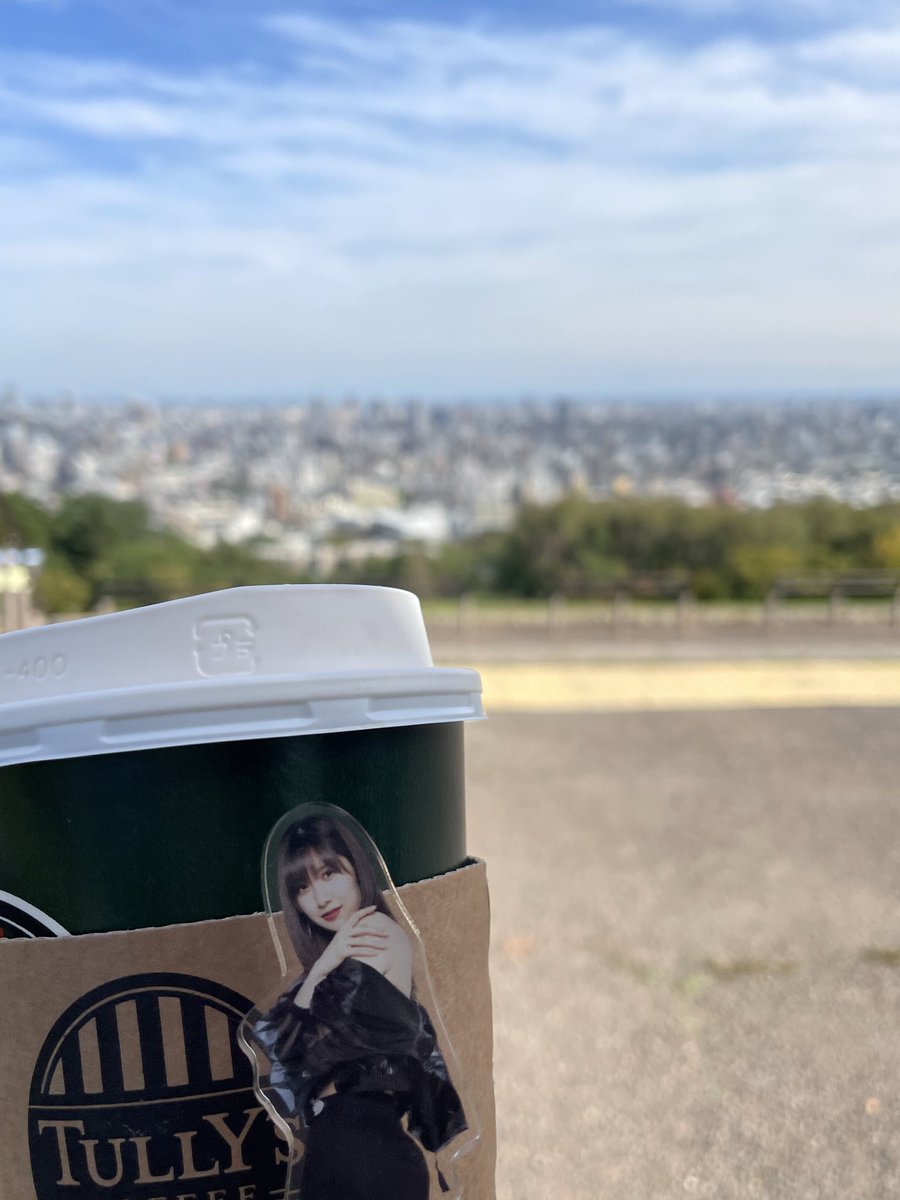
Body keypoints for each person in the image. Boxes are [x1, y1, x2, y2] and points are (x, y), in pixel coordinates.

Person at [247, 814, 467, 1200]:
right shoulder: (341, 953)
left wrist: (325, 968)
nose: (320, 898)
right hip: (346, 1149)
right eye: (302, 887)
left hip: (365, 1151)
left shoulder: (376, 936)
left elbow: (290, 1051)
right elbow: (284, 1047)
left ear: (357, 870)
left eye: (329, 873)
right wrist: (326, 963)